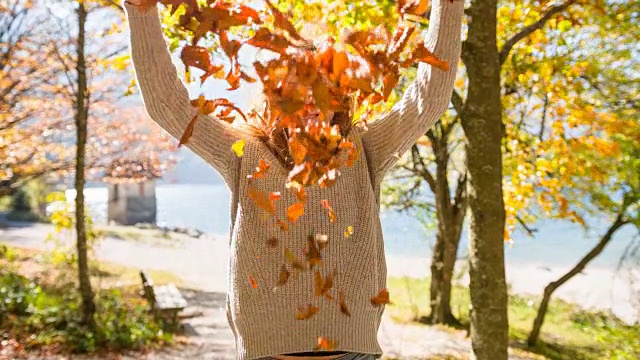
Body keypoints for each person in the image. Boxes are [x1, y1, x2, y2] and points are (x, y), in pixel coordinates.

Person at [123, 0, 463, 359]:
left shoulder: (363, 149)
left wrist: (449, 6)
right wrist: (139, 10)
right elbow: (167, 104)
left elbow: (429, 98)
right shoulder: (243, 150)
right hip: (267, 351)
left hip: (352, 349)